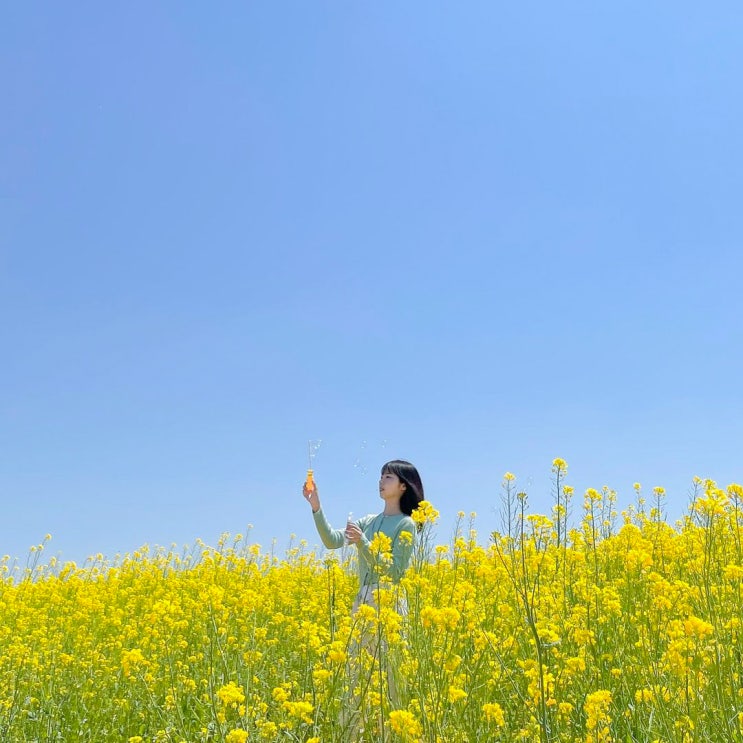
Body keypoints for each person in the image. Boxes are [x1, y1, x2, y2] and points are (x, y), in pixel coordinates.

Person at [302, 459, 424, 613]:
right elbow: (332, 541)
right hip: (364, 602)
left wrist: (362, 542)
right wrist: (316, 506)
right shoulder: (368, 521)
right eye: (381, 476)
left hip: (390, 604)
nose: (381, 481)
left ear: (403, 485)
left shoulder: (406, 524)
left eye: (388, 477)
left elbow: (394, 572)